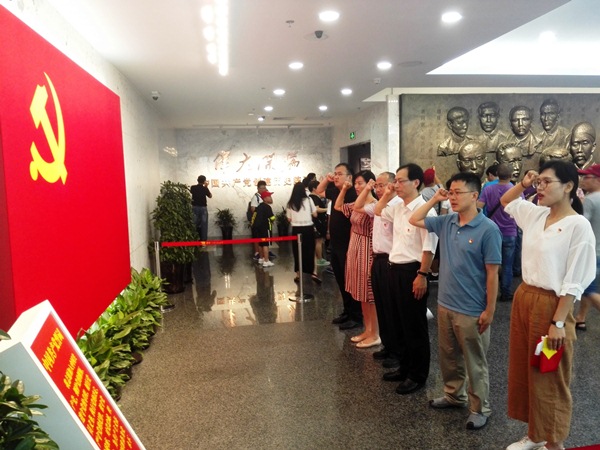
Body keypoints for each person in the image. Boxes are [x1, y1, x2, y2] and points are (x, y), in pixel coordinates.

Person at [500, 160, 596, 450]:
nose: (539, 187)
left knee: (550, 373)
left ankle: (554, 443)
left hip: (553, 306)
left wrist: (558, 322)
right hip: (525, 297)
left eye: (546, 182)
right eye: (538, 182)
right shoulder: (536, 214)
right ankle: (535, 433)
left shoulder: (578, 226)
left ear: (568, 187)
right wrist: (524, 183)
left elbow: (575, 279)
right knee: (526, 369)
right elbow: (506, 201)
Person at [409, 171, 502, 431]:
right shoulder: (447, 221)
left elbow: (492, 274)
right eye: (450, 192)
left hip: (472, 309)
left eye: (458, 192)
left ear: (474, 195)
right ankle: (453, 395)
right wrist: (434, 199)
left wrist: (490, 310)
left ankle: (480, 408)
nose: (452, 197)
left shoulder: (488, 230)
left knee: (475, 361)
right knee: (449, 356)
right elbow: (414, 218)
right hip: (445, 304)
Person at [375, 163, 438, 394]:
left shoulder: (425, 210)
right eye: (396, 181)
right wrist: (388, 193)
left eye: (401, 181)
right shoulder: (398, 207)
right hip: (394, 269)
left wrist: (422, 275)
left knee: (414, 326)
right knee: (398, 323)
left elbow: (429, 248)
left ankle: (418, 375)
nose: (396, 185)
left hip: (413, 271)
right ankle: (404, 367)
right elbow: (378, 210)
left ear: (416, 182)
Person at [355, 171, 400, 365]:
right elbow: (357, 207)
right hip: (378, 258)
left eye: (382, 185)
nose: (378, 189)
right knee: (381, 305)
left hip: (392, 259)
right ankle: (388, 346)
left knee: (392, 308)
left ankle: (397, 352)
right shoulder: (380, 205)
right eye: (377, 186)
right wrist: (368, 189)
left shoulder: (398, 205)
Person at [334, 170, 379, 347]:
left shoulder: (374, 205)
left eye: (361, 183)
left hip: (367, 250)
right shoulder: (357, 203)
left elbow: (376, 234)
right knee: (360, 293)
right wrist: (344, 190)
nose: (357, 186)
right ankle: (367, 330)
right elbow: (338, 206)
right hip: (355, 248)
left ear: (370, 184)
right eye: (356, 183)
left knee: (369, 294)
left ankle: (375, 333)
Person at [316, 164, 363, 330]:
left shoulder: (353, 194)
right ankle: (347, 311)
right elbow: (319, 191)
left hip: (348, 245)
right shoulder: (335, 191)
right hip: (336, 245)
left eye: (339, 174)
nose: (335, 177)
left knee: (350, 282)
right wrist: (327, 179)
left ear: (349, 177)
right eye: (334, 174)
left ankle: (357, 316)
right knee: (341, 280)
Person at [477, 163, 521, 302]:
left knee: (491, 265)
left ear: (497, 174)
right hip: (510, 231)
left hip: (492, 231)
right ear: (511, 175)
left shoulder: (488, 189)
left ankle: (489, 293)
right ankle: (506, 292)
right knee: (507, 265)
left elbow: (478, 207)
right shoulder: (515, 190)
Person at [574, 164, 600, 330]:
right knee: (589, 288)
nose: (583, 180)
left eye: (587, 177)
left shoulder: (590, 200)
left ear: (597, 180)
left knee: (589, 290)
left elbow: (581, 225)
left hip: (593, 253)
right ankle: (581, 317)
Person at [286, 182, 318, 283]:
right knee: (310, 250)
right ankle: (314, 272)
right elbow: (315, 214)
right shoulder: (309, 200)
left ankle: (298, 274)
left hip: (296, 230)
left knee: (297, 251)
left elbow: (289, 219)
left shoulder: (290, 203)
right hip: (308, 229)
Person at [251, 190, 275, 267]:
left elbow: (254, 216)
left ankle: (261, 258)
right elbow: (272, 218)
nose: (271, 198)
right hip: (265, 228)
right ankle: (266, 261)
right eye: (269, 196)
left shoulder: (259, 207)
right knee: (265, 244)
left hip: (257, 228)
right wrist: (273, 219)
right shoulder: (267, 207)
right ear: (265, 198)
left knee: (260, 244)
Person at [308, 179, 329, 266]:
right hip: (317, 222)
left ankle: (317, 258)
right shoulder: (315, 198)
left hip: (314, 222)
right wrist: (327, 209)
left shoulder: (309, 197)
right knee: (318, 241)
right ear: (314, 188)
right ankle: (319, 259)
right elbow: (317, 209)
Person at [191, 175, 212, 241]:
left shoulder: (193, 187)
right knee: (204, 225)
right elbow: (210, 196)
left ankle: (194, 240)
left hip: (194, 207)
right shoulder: (204, 188)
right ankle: (203, 241)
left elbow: (191, 192)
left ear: (197, 180)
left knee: (194, 224)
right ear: (204, 181)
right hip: (203, 208)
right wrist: (206, 187)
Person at [250, 180, 268, 260]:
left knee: (263, 238)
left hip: (264, 221)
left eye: (265, 188)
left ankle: (263, 254)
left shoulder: (263, 196)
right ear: (258, 188)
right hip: (258, 221)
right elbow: (253, 209)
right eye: (262, 188)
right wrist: (261, 210)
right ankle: (257, 253)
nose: (264, 189)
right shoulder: (255, 197)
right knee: (258, 238)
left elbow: (270, 201)